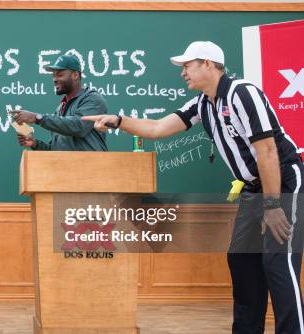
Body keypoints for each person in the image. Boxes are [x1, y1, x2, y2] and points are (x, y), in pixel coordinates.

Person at [83, 41, 304, 333]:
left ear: (209, 64)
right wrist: (118, 121)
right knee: (241, 261)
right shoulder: (203, 103)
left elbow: (267, 151)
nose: (183, 73)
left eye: (188, 66)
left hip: (283, 181)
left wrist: (273, 205)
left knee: (278, 262)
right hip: (254, 189)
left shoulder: (242, 93)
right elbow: (158, 128)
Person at [12, 54, 108, 151]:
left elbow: (78, 126)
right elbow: (55, 151)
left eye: (59, 75)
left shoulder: (92, 99)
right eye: (53, 76)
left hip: (91, 165)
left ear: (75, 75)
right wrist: (35, 143)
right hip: (65, 165)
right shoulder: (60, 109)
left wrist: (37, 118)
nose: (55, 79)